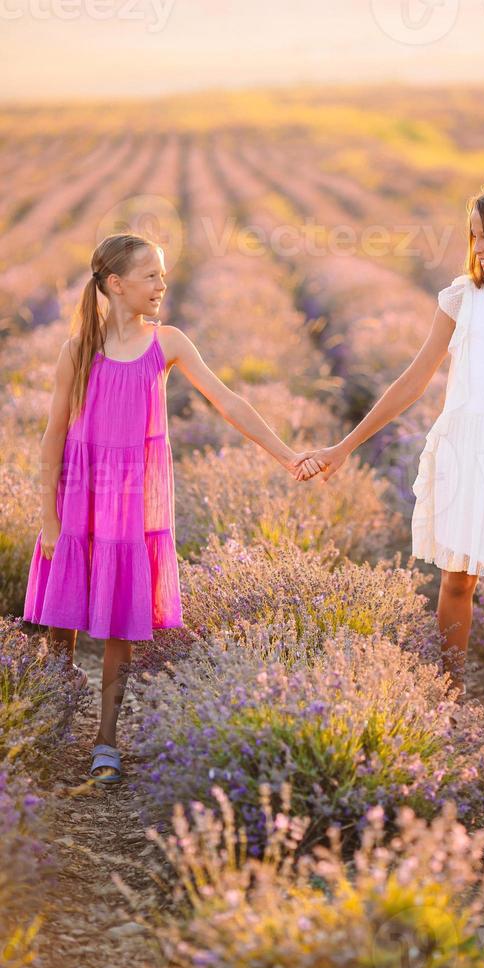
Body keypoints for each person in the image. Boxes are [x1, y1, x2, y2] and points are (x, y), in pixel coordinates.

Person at [292, 181, 484, 735]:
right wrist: (345, 445)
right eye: (473, 236)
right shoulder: (464, 299)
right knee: (455, 584)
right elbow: (413, 380)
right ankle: (448, 708)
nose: (477, 248)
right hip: (462, 452)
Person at [22, 232, 322, 785]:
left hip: (130, 500)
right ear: (116, 284)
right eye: (151, 275)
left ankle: (105, 738)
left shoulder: (169, 342)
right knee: (61, 619)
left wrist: (286, 456)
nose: (162, 284)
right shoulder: (78, 349)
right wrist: (48, 517)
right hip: (79, 493)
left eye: (163, 274)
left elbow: (228, 402)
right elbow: (53, 435)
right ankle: (50, 719)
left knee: (118, 622)